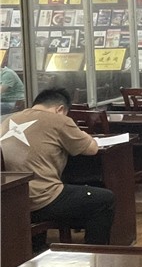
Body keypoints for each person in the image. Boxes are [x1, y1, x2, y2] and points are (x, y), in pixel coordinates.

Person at [0, 88, 115, 247]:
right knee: (104, 199)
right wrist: (85, 135)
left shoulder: (9, 119)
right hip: (40, 200)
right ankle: (95, 254)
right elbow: (92, 149)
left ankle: (37, 246)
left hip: (10, 199)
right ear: (60, 109)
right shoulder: (59, 120)